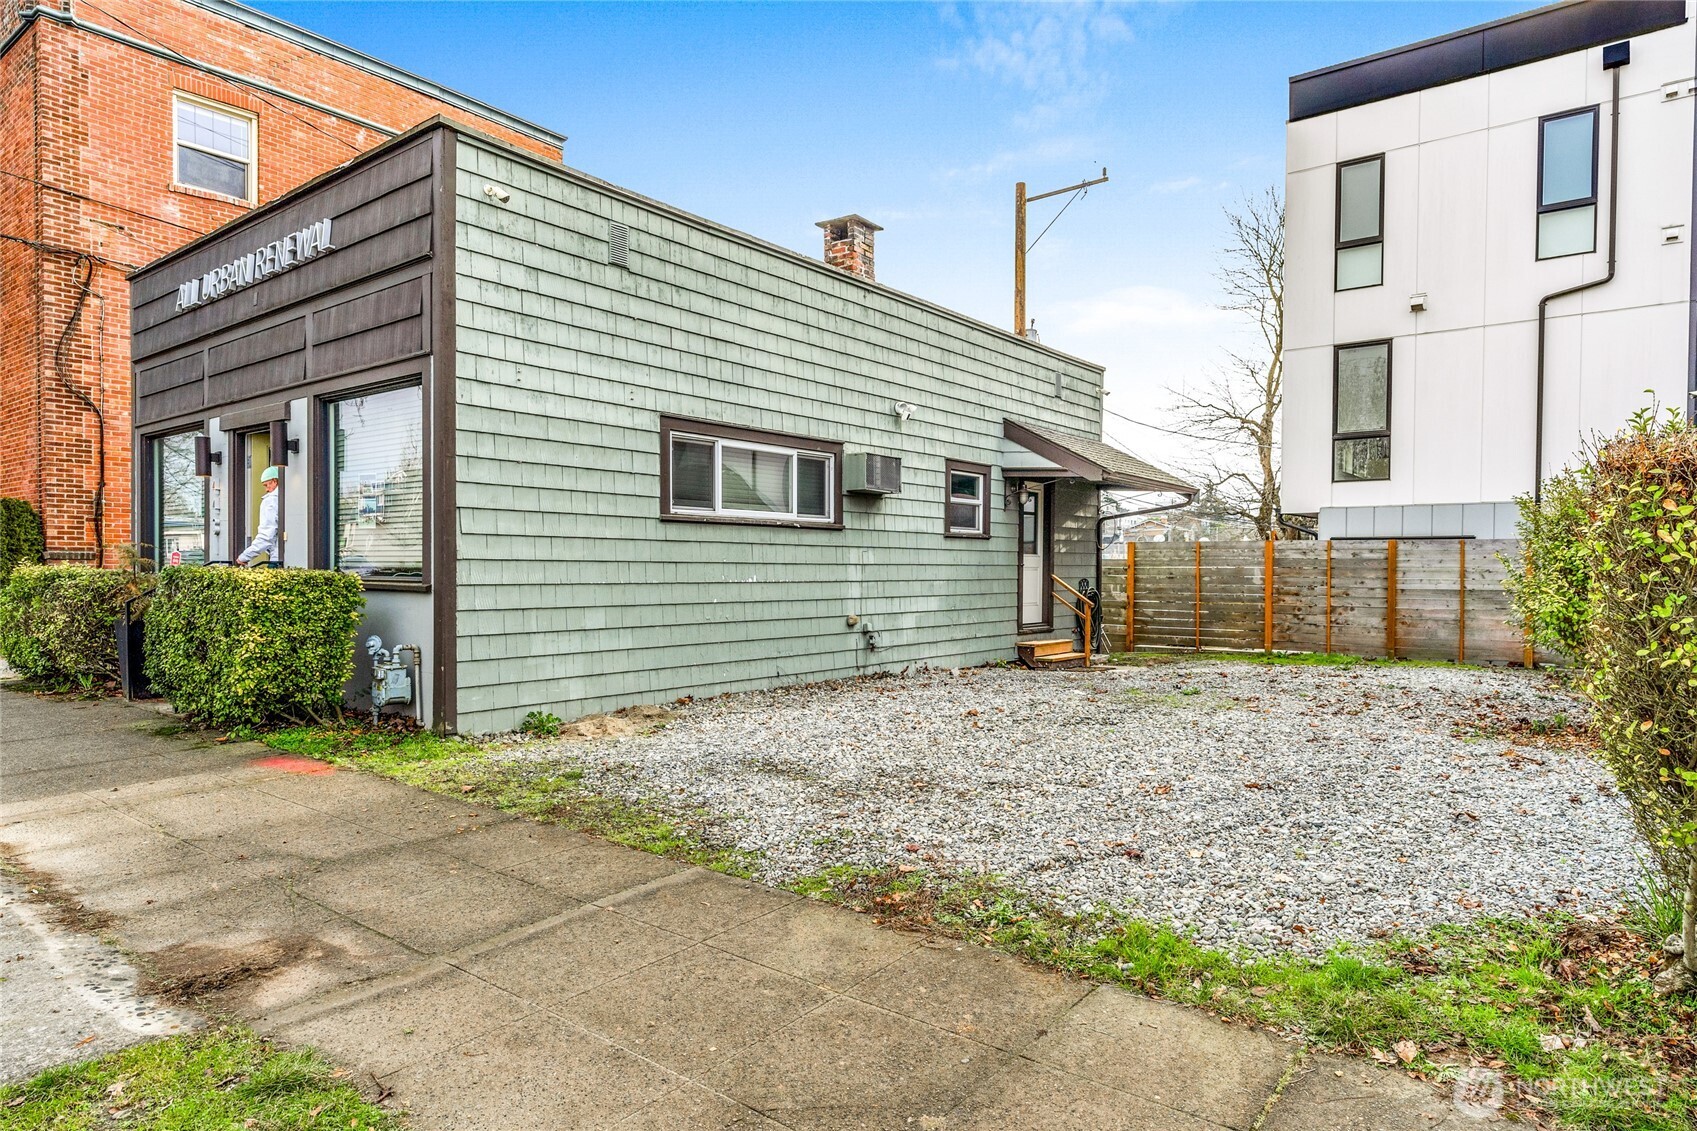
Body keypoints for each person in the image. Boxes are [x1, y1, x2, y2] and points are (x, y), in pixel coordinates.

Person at [237, 465, 281, 567]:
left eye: (266, 485)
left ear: (274, 481)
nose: (266, 489)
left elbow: (266, 535)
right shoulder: (293, 495)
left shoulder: (271, 500)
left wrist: (244, 557)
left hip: (277, 558)